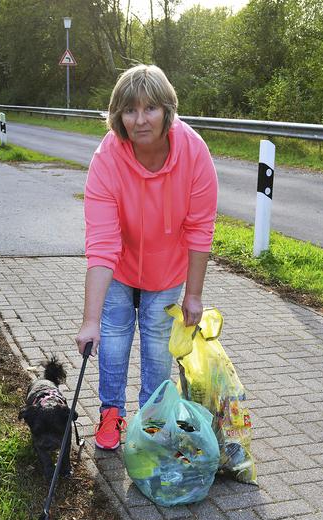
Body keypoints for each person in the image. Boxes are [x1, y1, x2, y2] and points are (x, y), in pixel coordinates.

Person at [76, 64, 218, 450]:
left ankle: (152, 421)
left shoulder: (194, 152)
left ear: (167, 110)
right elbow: (102, 243)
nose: (140, 120)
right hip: (120, 269)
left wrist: (193, 294)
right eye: (130, 110)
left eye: (150, 108)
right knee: (114, 337)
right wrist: (90, 321)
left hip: (167, 271)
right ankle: (111, 413)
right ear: (118, 116)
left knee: (157, 347)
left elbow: (200, 228)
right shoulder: (107, 158)